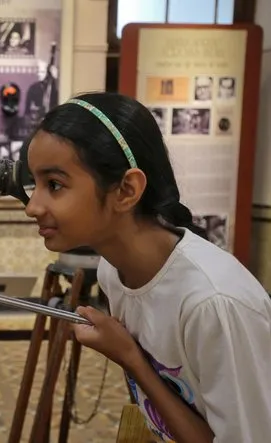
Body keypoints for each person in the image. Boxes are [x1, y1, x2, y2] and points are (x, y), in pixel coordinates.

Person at [23, 92, 271, 443]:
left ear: (126, 190)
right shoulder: (114, 271)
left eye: (55, 185)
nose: (32, 206)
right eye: (35, 184)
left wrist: (131, 359)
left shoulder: (213, 304)